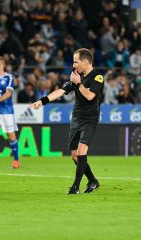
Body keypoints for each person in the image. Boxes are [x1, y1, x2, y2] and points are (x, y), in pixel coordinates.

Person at [31, 48, 103, 194]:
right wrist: (42, 101)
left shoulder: (97, 77)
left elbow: (90, 96)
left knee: (82, 151)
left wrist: (78, 83)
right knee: (75, 155)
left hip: (90, 118)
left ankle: (75, 187)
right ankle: (93, 181)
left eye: (76, 62)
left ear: (85, 62)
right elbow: (61, 91)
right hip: (76, 117)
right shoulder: (76, 76)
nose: (74, 65)